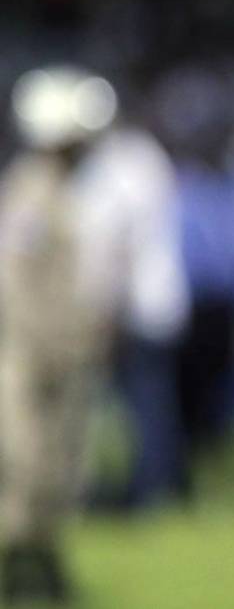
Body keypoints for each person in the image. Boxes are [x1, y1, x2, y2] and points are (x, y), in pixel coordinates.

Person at [0, 66, 187, 603]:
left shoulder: (70, 190)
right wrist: (43, 343)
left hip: (73, 349)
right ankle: (23, 562)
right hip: (34, 353)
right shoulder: (30, 189)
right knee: (29, 461)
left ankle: (48, 557)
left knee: (67, 464)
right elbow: (17, 284)